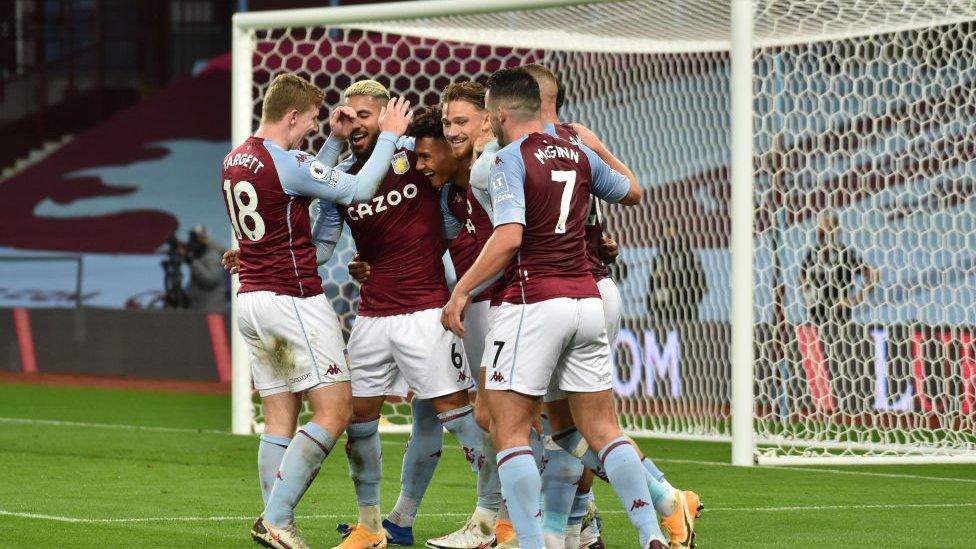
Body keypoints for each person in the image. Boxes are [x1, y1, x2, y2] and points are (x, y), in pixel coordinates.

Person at [470, 63, 700, 549]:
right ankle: (647, 529)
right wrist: (599, 148)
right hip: (591, 295)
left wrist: (460, 290)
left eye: (487, 113)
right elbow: (633, 191)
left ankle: (538, 539)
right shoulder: (578, 149)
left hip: (535, 298)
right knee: (594, 426)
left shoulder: (505, 158)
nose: (484, 121)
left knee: (508, 427)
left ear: (505, 110)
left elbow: (509, 236)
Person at [222, 72, 411, 549]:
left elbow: (300, 179)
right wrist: (389, 135)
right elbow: (358, 188)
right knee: (335, 409)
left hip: (251, 301)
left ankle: (278, 525)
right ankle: (277, 518)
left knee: (280, 414)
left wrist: (333, 139)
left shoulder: (236, 157)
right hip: (293, 300)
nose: (309, 129)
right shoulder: (284, 162)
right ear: (291, 116)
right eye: (307, 123)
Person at [313, 80, 486, 549]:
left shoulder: (420, 154)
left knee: (462, 419)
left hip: (427, 313)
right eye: (346, 117)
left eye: (364, 116)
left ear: (388, 116)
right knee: (359, 421)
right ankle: (373, 526)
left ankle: (497, 515)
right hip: (370, 317)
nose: (353, 126)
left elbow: (461, 191)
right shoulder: (341, 182)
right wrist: (259, 254)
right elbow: (319, 249)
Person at [799, 212, 879, 412]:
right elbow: (802, 280)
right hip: (816, 314)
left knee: (839, 357)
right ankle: (819, 403)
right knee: (818, 358)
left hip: (840, 314)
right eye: (821, 226)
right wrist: (809, 296)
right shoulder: (813, 253)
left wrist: (854, 299)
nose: (823, 231)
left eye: (828, 226)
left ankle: (844, 404)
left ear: (837, 230)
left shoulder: (846, 253)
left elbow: (873, 275)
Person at [647, 221, 707, 325]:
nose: (670, 239)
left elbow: (699, 282)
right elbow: (653, 284)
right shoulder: (659, 257)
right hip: (663, 312)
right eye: (667, 235)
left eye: (673, 235)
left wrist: (691, 300)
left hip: (686, 309)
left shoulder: (689, 257)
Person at [185, 225, 227, 312]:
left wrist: (193, 262)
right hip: (202, 309)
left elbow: (210, 280)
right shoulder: (202, 256)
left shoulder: (212, 256)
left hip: (212, 311)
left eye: (194, 240)